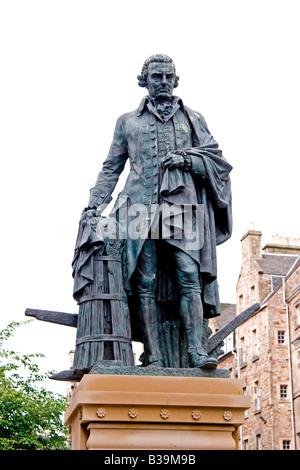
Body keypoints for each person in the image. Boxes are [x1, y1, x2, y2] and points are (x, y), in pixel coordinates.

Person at [83, 54, 232, 369]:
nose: (163, 82)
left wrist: (188, 160)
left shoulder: (193, 118)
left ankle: (196, 352)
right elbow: (111, 167)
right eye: (156, 77)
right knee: (144, 282)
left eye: (168, 77)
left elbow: (216, 159)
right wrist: (96, 202)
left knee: (189, 275)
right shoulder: (127, 121)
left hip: (184, 207)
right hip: (138, 206)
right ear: (145, 81)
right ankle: (154, 355)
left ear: (176, 80)